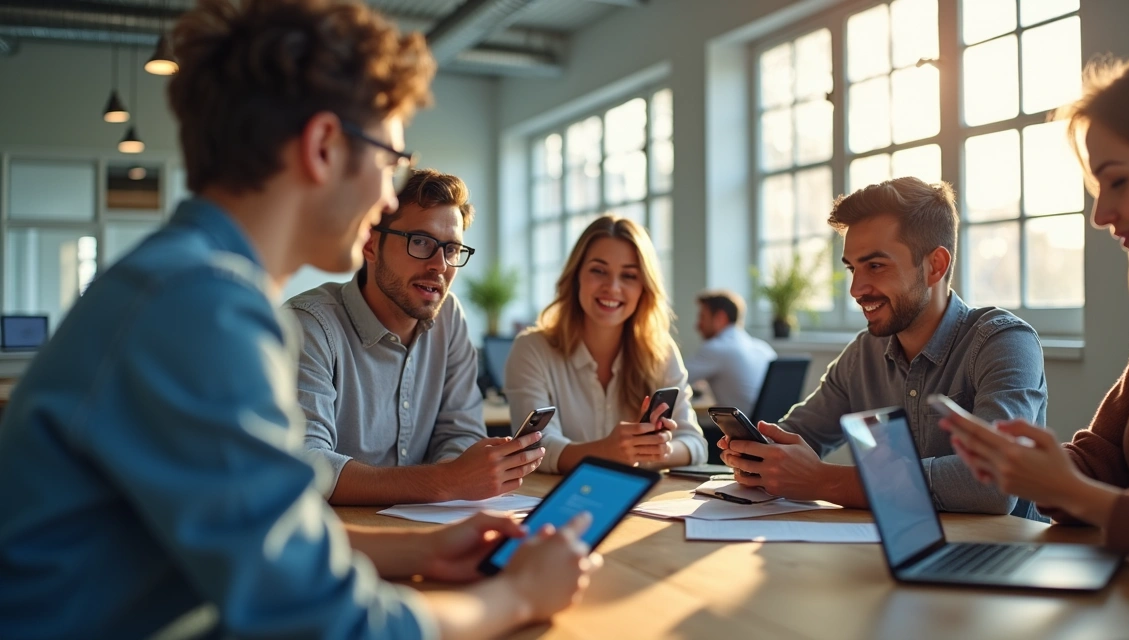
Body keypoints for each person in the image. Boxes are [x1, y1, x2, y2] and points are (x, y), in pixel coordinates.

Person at [0, 1, 598, 638]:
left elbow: (271, 542)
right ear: (321, 147)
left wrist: (424, 549)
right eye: (388, 161)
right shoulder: (203, 308)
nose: (386, 197)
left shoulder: (184, 283)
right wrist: (517, 598)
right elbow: (323, 623)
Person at [941, 44, 1129, 577]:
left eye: (1118, 181)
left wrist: (1081, 496)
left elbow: (1094, 495)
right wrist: (1035, 465)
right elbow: (1103, 461)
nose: (1101, 214)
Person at [719, 177, 1048, 515]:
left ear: (935, 265)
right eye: (852, 269)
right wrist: (758, 456)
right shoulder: (863, 355)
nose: (856, 289)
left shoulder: (1004, 342)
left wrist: (823, 481)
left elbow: (992, 484)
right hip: (890, 551)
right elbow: (797, 434)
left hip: (997, 556)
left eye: (875, 266)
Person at [289, 168, 543, 506]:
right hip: (336, 541)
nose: (439, 265)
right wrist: (445, 481)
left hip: (426, 533)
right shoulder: (309, 325)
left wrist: (461, 477)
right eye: (420, 242)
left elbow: (460, 433)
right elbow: (306, 465)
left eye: (451, 249)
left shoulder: (449, 316)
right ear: (370, 244)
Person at [505, 215, 709, 473]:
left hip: (640, 504)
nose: (612, 287)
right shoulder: (532, 349)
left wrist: (654, 450)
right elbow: (535, 447)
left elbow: (696, 444)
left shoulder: (660, 350)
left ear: (644, 287)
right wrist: (608, 453)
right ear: (576, 275)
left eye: (629, 275)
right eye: (598, 270)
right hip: (558, 504)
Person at [684, 289, 777, 412]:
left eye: (702, 317)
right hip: (771, 427)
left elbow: (672, 378)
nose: (698, 325)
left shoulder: (716, 348)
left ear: (721, 318)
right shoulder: (763, 348)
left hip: (743, 429)